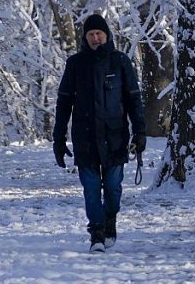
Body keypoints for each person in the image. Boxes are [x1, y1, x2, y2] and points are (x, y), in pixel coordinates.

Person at [53, 14, 146, 252]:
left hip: (115, 137)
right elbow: (64, 102)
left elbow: (133, 99)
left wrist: (140, 132)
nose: (95, 38)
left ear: (107, 36)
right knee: (91, 188)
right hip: (85, 139)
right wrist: (59, 137)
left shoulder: (120, 62)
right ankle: (96, 232)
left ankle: (110, 220)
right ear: (85, 38)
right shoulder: (75, 64)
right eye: (91, 35)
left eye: (99, 34)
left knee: (113, 187)